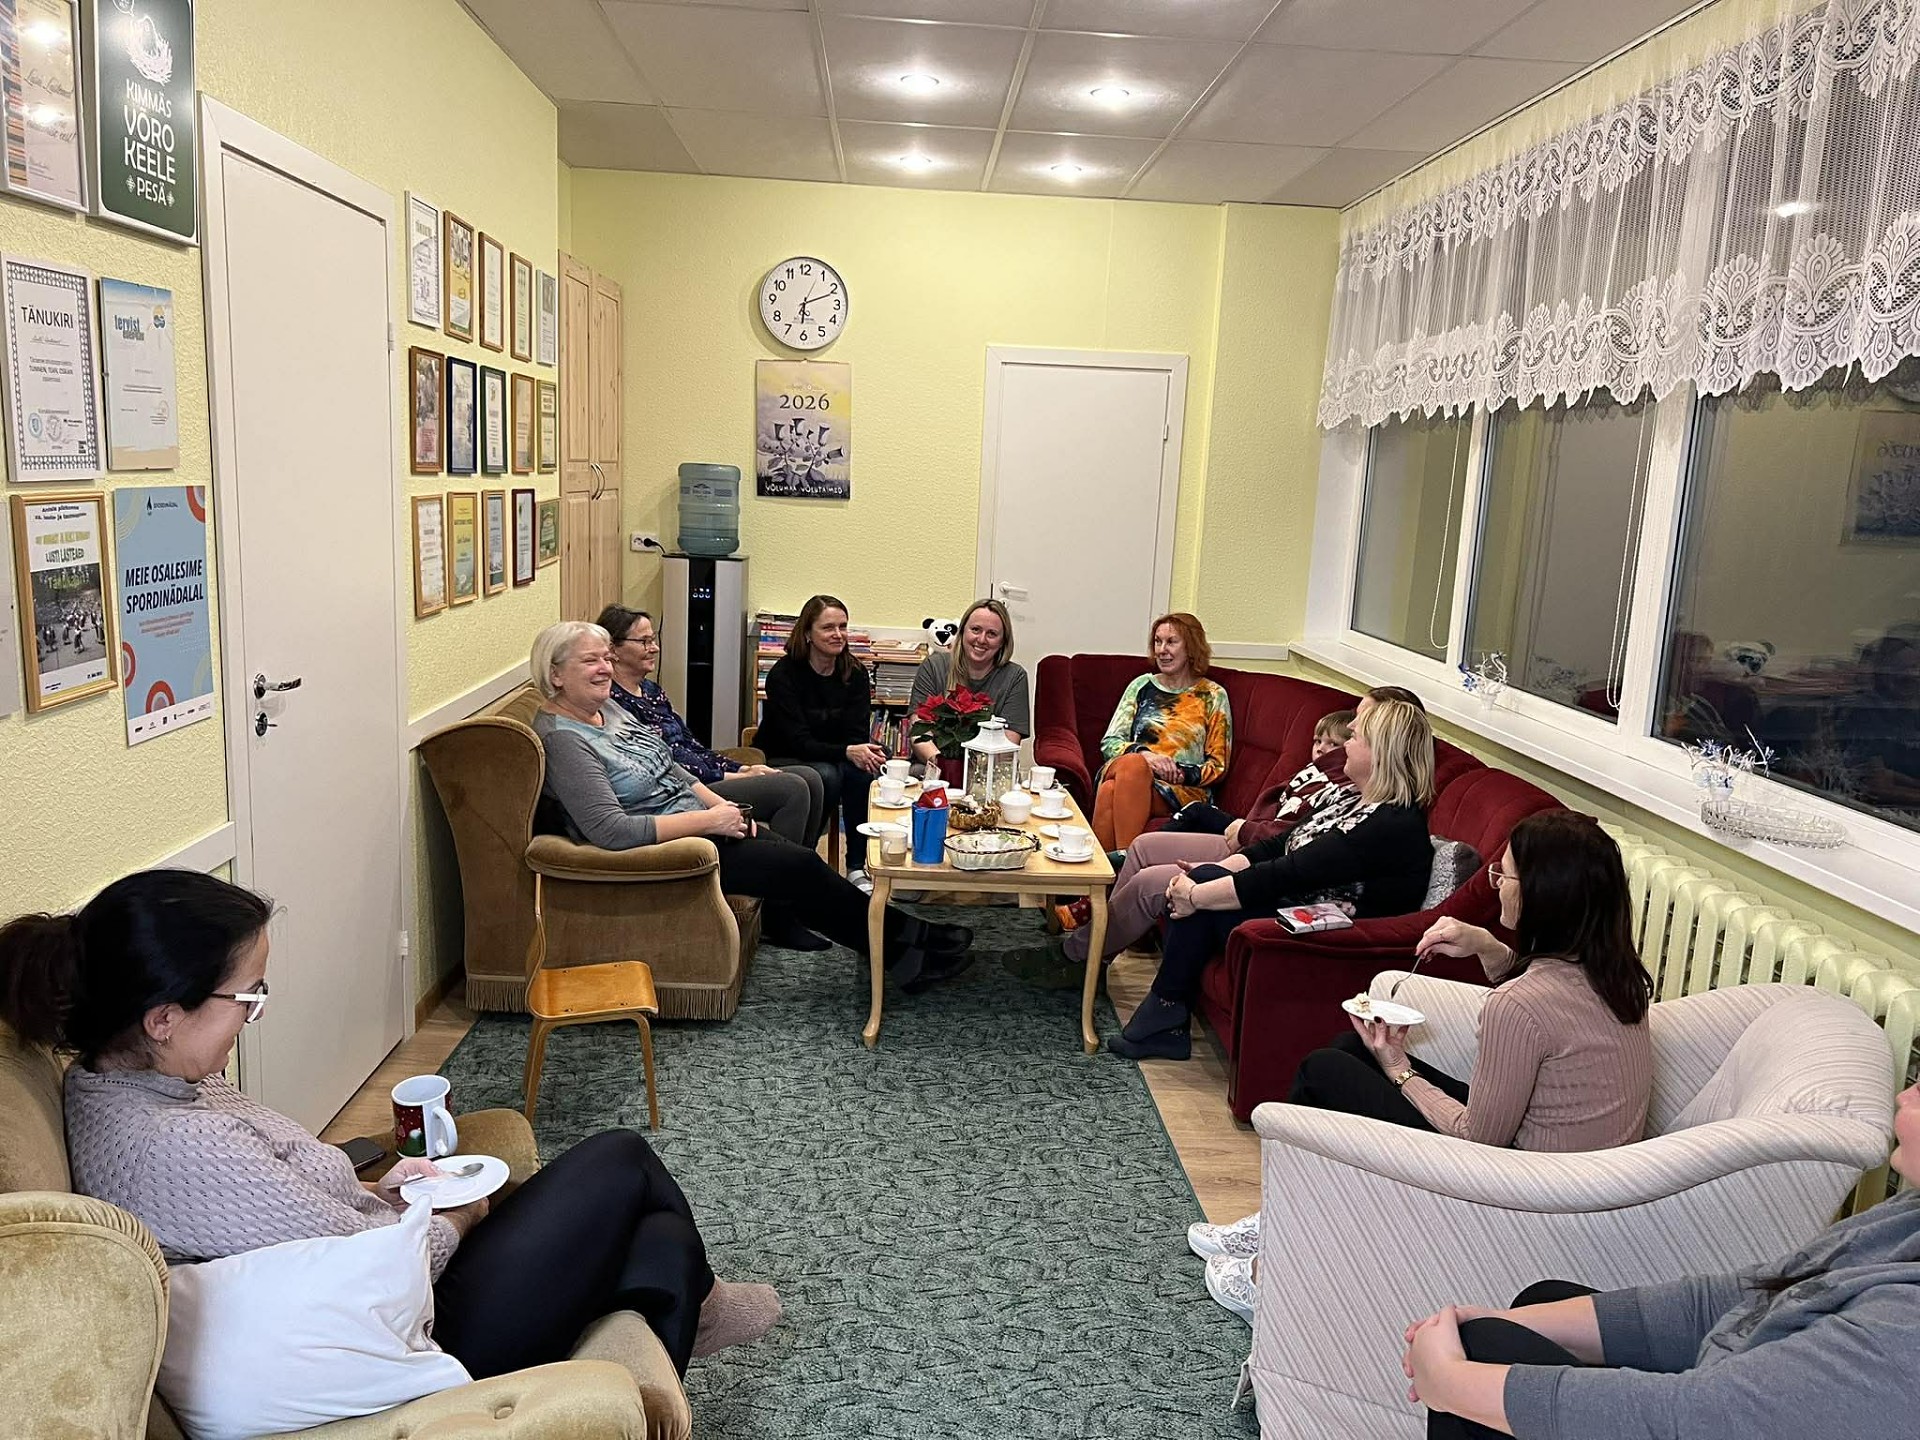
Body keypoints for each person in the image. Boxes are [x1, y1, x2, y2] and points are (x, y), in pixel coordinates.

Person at [0, 869, 782, 1383]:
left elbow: (280, 1217)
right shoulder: (172, 1147)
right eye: (248, 997)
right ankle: (698, 1305)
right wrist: (461, 1215)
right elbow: (379, 1262)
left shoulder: (137, 1077)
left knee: (661, 1243)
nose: (255, 1014)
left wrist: (381, 1188)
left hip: (384, 1283)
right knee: (622, 1158)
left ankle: (690, 1303)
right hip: (415, 1328)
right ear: (164, 1016)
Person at [1194, 809, 1656, 1319]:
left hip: (1517, 1188)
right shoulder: (1618, 976)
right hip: (1569, 1177)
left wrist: (1398, 1067)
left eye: (1504, 876)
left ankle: (1277, 1271)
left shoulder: (1519, 1006)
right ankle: (1283, 1219)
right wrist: (1489, 948)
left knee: (1323, 1070)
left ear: (1542, 894)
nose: (1496, 885)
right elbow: (1546, 1018)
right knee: (1349, 1051)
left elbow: (1478, 1137)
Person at [1405, 1080, 1920, 1440]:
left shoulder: (1904, 1333)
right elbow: (1750, 1294)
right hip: (1734, 1400)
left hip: (1711, 1420)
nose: (1903, 1095)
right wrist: (1501, 1322)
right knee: (1531, 1309)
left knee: (1485, 1350)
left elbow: (1694, 1421)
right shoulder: (1908, 1216)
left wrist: (1448, 1382)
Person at [531, 620, 973, 986]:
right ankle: (903, 952)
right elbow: (610, 830)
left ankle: (905, 938)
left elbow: (671, 766)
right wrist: (709, 822)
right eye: (590, 661)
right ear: (555, 674)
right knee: (797, 868)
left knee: (800, 861)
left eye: (607, 658)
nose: (604, 669)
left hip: (696, 820)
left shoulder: (606, 709)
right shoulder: (564, 739)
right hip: (670, 847)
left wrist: (719, 808)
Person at [1108, 698, 1436, 1063]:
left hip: (1330, 937)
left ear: (1380, 753)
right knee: (1202, 879)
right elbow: (1278, 846)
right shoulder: (1354, 799)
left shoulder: (1391, 824)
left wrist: (1197, 894)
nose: (1346, 742)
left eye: (1356, 738)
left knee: (1202, 892)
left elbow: (1291, 871)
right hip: (1300, 908)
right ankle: (1165, 1014)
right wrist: (1210, 877)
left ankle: (1165, 1014)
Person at [1002, 707, 1359, 987]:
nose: (1322, 750)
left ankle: (1077, 954)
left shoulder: (1348, 788)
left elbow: (1289, 839)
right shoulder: (1318, 773)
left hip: (1256, 851)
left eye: (1337, 744)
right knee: (1143, 843)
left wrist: (1241, 829)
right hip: (1250, 840)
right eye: (1318, 741)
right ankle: (1097, 952)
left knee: (1150, 878)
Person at [597, 604, 825, 847]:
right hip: (684, 790)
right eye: (644, 642)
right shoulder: (612, 703)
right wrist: (730, 776)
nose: (654, 648)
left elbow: (691, 745)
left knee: (812, 778)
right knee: (793, 787)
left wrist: (743, 769)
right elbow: (666, 763)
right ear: (613, 649)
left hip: (705, 775)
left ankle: (803, 858)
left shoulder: (651, 691)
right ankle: (784, 863)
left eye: (653, 639)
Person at [754, 595, 886, 887]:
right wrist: (846, 751)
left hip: (835, 755)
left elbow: (856, 734)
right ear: (807, 634)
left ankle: (856, 867)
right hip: (785, 755)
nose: (838, 634)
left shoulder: (855, 673)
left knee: (862, 772)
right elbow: (798, 741)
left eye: (843, 626)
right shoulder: (783, 675)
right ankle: (806, 857)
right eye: (828, 628)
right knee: (827, 774)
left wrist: (857, 752)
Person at [1091, 612, 1234, 854]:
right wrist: (1148, 757)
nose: (1161, 650)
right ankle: (1130, 860)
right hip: (1129, 769)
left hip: (1177, 789)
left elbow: (1218, 766)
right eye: (1157, 642)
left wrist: (1178, 772)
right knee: (1135, 764)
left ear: (1191, 647)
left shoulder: (1212, 695)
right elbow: (1110, 742)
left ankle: (1101, 874)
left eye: (1171, 642)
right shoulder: (1141, 686)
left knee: (1109, 791)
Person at [908, 599, 1031, 772]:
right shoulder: (933, 666)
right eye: (975, 630)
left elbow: (1008, 744)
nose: (981, 639)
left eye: (992, 634)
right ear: (962, 631)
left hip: (988, 771)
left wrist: (972, 773)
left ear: (1003, 641)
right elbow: (918, 731)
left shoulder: (1015, 677)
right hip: (935, 765)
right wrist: (944, 766)